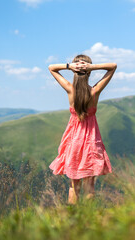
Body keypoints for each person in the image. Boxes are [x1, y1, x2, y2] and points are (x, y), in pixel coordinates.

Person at [48, 54, 117, 204]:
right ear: (89, 72)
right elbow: (113, 66)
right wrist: (91, 67)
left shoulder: (70, 90)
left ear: (74, 72)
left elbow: (51, 68)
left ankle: (72, 219)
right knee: (90, 186)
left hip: (73, 141)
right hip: (91, 141)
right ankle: (89, 220)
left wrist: (69, 67)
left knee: (74, 186)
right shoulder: (95, 91)